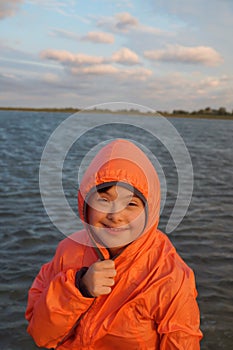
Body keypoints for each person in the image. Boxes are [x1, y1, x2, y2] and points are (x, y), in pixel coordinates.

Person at [25, 139, 203, 349]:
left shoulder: (169, 276)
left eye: (131, 203)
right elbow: (41, 335)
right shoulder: (68, 250)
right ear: (85, 204)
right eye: (103, 200)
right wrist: (79, 288)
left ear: (150, 209)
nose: (116, 215)